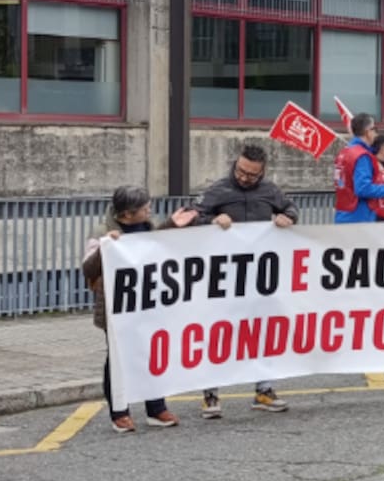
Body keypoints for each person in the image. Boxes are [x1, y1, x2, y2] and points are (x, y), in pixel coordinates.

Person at [191, 144, 298, 416]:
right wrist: (212, 219)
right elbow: (193, 217)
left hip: (259, 275)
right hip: (223, 276)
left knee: (262, 331)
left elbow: (291, 209)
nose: (243, 177)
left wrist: (287, 217)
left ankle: (264, 390)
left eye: (251, 175)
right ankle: (210, 395)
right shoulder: (218, 189)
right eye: (240, 171)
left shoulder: (270, 191)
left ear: (262, 172)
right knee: (219, 332)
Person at [82, 186, 193, 433]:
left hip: (147, 303)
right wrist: (105, 247)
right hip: (116, 308)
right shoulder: (102, 231)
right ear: (128, 214)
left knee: (153, 353)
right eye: (145, 208)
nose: (149, 211)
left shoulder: (147, 226)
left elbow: (155, 245)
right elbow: (88, 269)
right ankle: (119, 412)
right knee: (118, 360)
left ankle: (156, 408)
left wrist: (172, 225)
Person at [334, 113, 384, 223]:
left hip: (343, 213)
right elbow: (363, 189)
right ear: (368, 131)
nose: (376, 134)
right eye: (375, 129)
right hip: (359, 216)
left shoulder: (344, 152)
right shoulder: (362, 155)